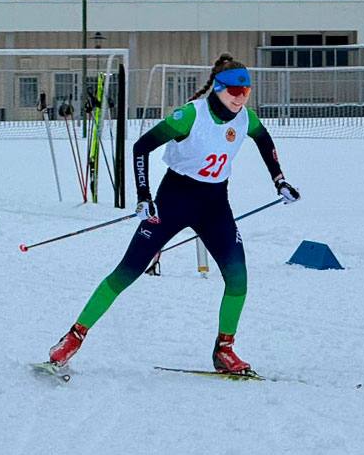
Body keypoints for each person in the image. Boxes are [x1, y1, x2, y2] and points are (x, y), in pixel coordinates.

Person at [47, 53, 301, 374]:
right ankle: (73, 337)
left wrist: (279, 180)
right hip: (174, 200)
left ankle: (224, 349)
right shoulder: (189, 116)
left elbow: (264, 140)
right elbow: (142, 147)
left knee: (238, 279)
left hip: (215, 205)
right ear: (219, 88)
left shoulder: (244, 119)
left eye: (246, 92)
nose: (241, 98)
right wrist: (143, 196)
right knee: (127, 271)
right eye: (235, 92)